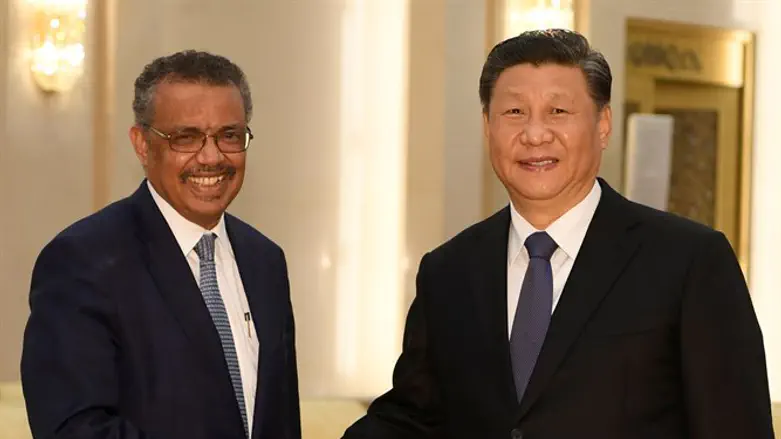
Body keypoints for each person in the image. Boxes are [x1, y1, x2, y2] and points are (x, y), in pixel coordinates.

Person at [343, 29, 774, 439]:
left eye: (558, 112)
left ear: (603, 124)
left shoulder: (688, 262)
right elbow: (412, 420)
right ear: (488, 125)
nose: (535, 134)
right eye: (514, 112)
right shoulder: (448, 272)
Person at [21, 50, 301, 439]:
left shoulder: (265, 261)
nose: (211, 157)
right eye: (186, 137)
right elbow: (75, 429)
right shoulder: (82, 262)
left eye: (229, 136)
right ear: (142, 144)